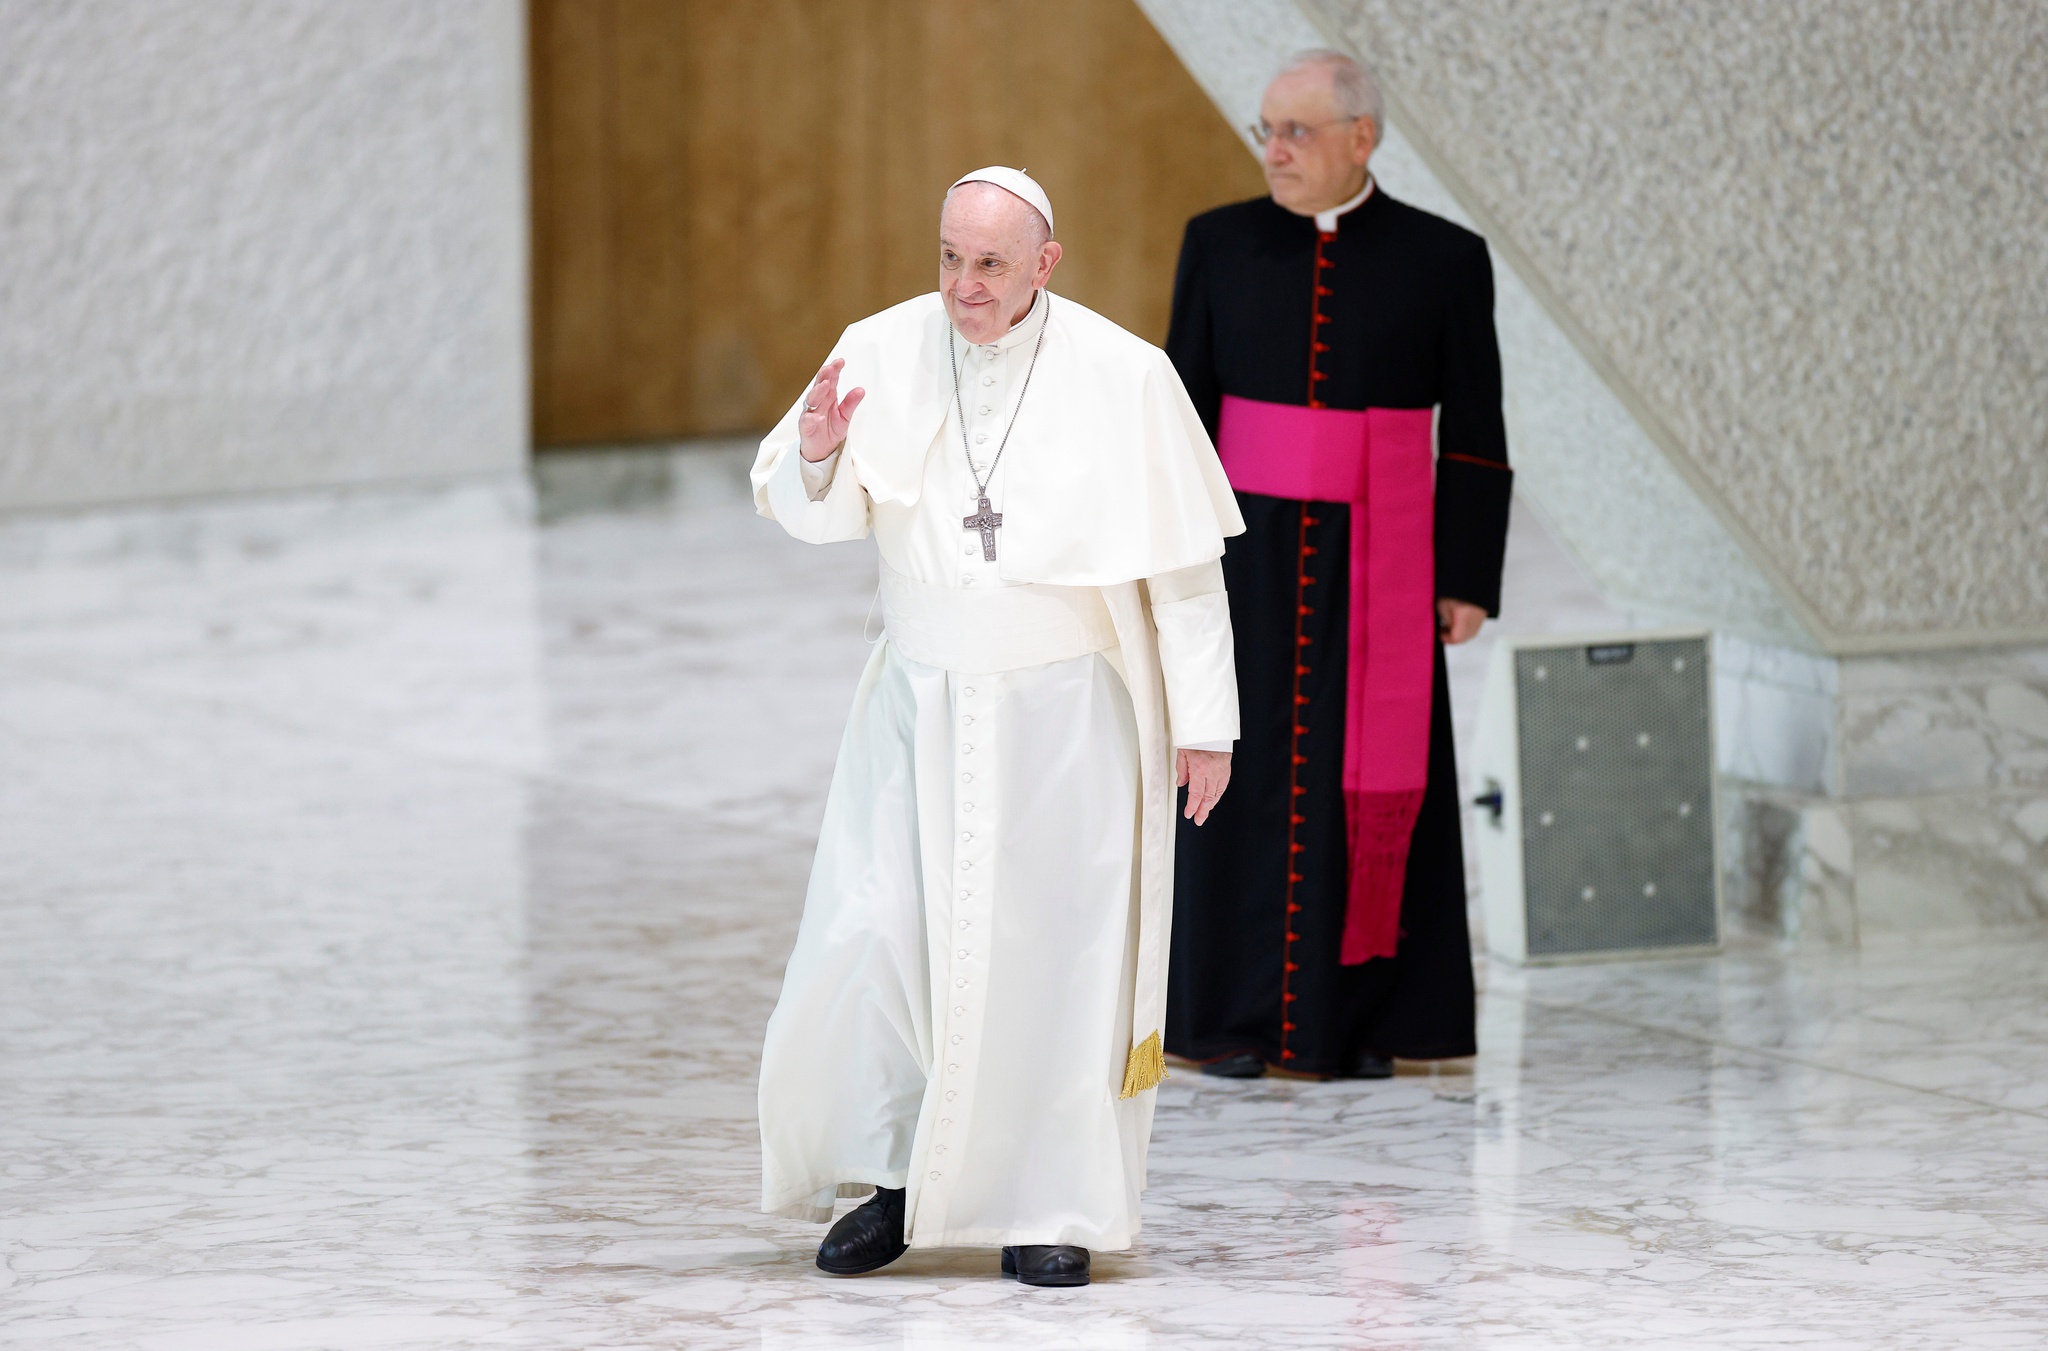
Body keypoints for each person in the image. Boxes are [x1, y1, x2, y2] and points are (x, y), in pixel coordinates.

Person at [752, 168, 1243, 1287]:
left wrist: (1203, 722)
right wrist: (820, 449)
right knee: (879, 942)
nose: (961, 286)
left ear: (1043, 263)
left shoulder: (1126, 376)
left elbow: (1182, 567)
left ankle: (1050, 1204)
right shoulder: (877, 348)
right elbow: (801, 504)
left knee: (1054, 961)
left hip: (1064, 716)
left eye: (987, 264)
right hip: (914, 703)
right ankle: (891, 1188)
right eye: (946, 257)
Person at [1163, 51, 1513, 1081]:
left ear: (1361, 138)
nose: (1273, 150)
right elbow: (1178, 415)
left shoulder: (1445, 259)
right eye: (1264, 130)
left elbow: (1476, 429)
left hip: (1384, 562)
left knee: (1371, 783)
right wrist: (1166, 565)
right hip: (1244, 563)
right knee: (1234, 777)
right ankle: (1222, 1017)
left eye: (1296, 132)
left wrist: (1466, 574)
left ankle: (1362, 1020)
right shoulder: (1216, 245)